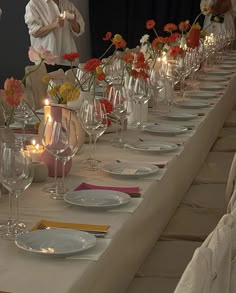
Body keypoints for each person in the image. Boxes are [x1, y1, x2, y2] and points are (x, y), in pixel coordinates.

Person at [24, 0, 85, 72]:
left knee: (71, 83)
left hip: (68, 59)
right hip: (47, 61)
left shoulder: (67, 4)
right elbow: (35, 32)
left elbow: (79, 30)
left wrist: (73, 22)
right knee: (49, 83)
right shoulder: (34, 4)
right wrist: (54, 25)